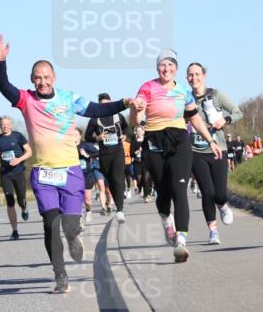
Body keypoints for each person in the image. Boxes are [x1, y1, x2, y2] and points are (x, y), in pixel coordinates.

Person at [0, 34, 143, 292]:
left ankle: (73, 237)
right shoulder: (26, 100)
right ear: (32, 80)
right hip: (43, 173)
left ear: (54, 78)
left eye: (46, 77)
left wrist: (124, 102)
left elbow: (96, 109)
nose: (42, 81)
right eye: (37, 77)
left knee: (70, 226)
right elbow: (5, 87)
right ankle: (60, 275)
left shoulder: (68, 98)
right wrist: (0, 63)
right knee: (50, 225)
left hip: (70, 172)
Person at [132, 49, 221, 263]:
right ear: (157, 68)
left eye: (171, 65)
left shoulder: (183, 91)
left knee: (179, 190)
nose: (166, 69)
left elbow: (194, 119)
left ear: (176, 69)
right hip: (154, 142)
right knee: (163, 192)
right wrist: (137, 113)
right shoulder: (147, 87)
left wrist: (210, 140)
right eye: (163, 65)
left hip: (179, 141)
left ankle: (181, 242)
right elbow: (135, 117)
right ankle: (166, 221)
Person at [186, 62, 242, 245]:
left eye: (197, 74)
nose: (194, 78)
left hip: (219, 149)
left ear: (204, 75)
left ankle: (223, 205)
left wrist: (224, 120)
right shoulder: (185, 99)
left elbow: (237, 112)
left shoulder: (216, 95)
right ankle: (213, 232)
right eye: (190, 75)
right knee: (207, 192)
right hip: (196, 151)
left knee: (220, 194)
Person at [84, 92, 130, 223]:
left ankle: (120, 210)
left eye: (107, 105)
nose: (105, 107)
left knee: (117, 179)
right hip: (103, 155)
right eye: (102, 105)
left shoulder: (118, 116)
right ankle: (117, 205)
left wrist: (125, 136)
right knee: (110, 182)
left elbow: (127, 129)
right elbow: (87, 136)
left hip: (117, 152)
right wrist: (97, 138)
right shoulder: (94, 119)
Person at [0, 116, 32, 240]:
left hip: (19, 172)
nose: (5, 126)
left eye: (7, 124)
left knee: (21, 200)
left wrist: (18, 160)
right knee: (10, 202)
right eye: (2, 124)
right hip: (5, 174)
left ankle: (24, 208)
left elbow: (29, 152)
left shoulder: (18, 136)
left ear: (11, 124)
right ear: (0, 126)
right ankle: (15, 231)